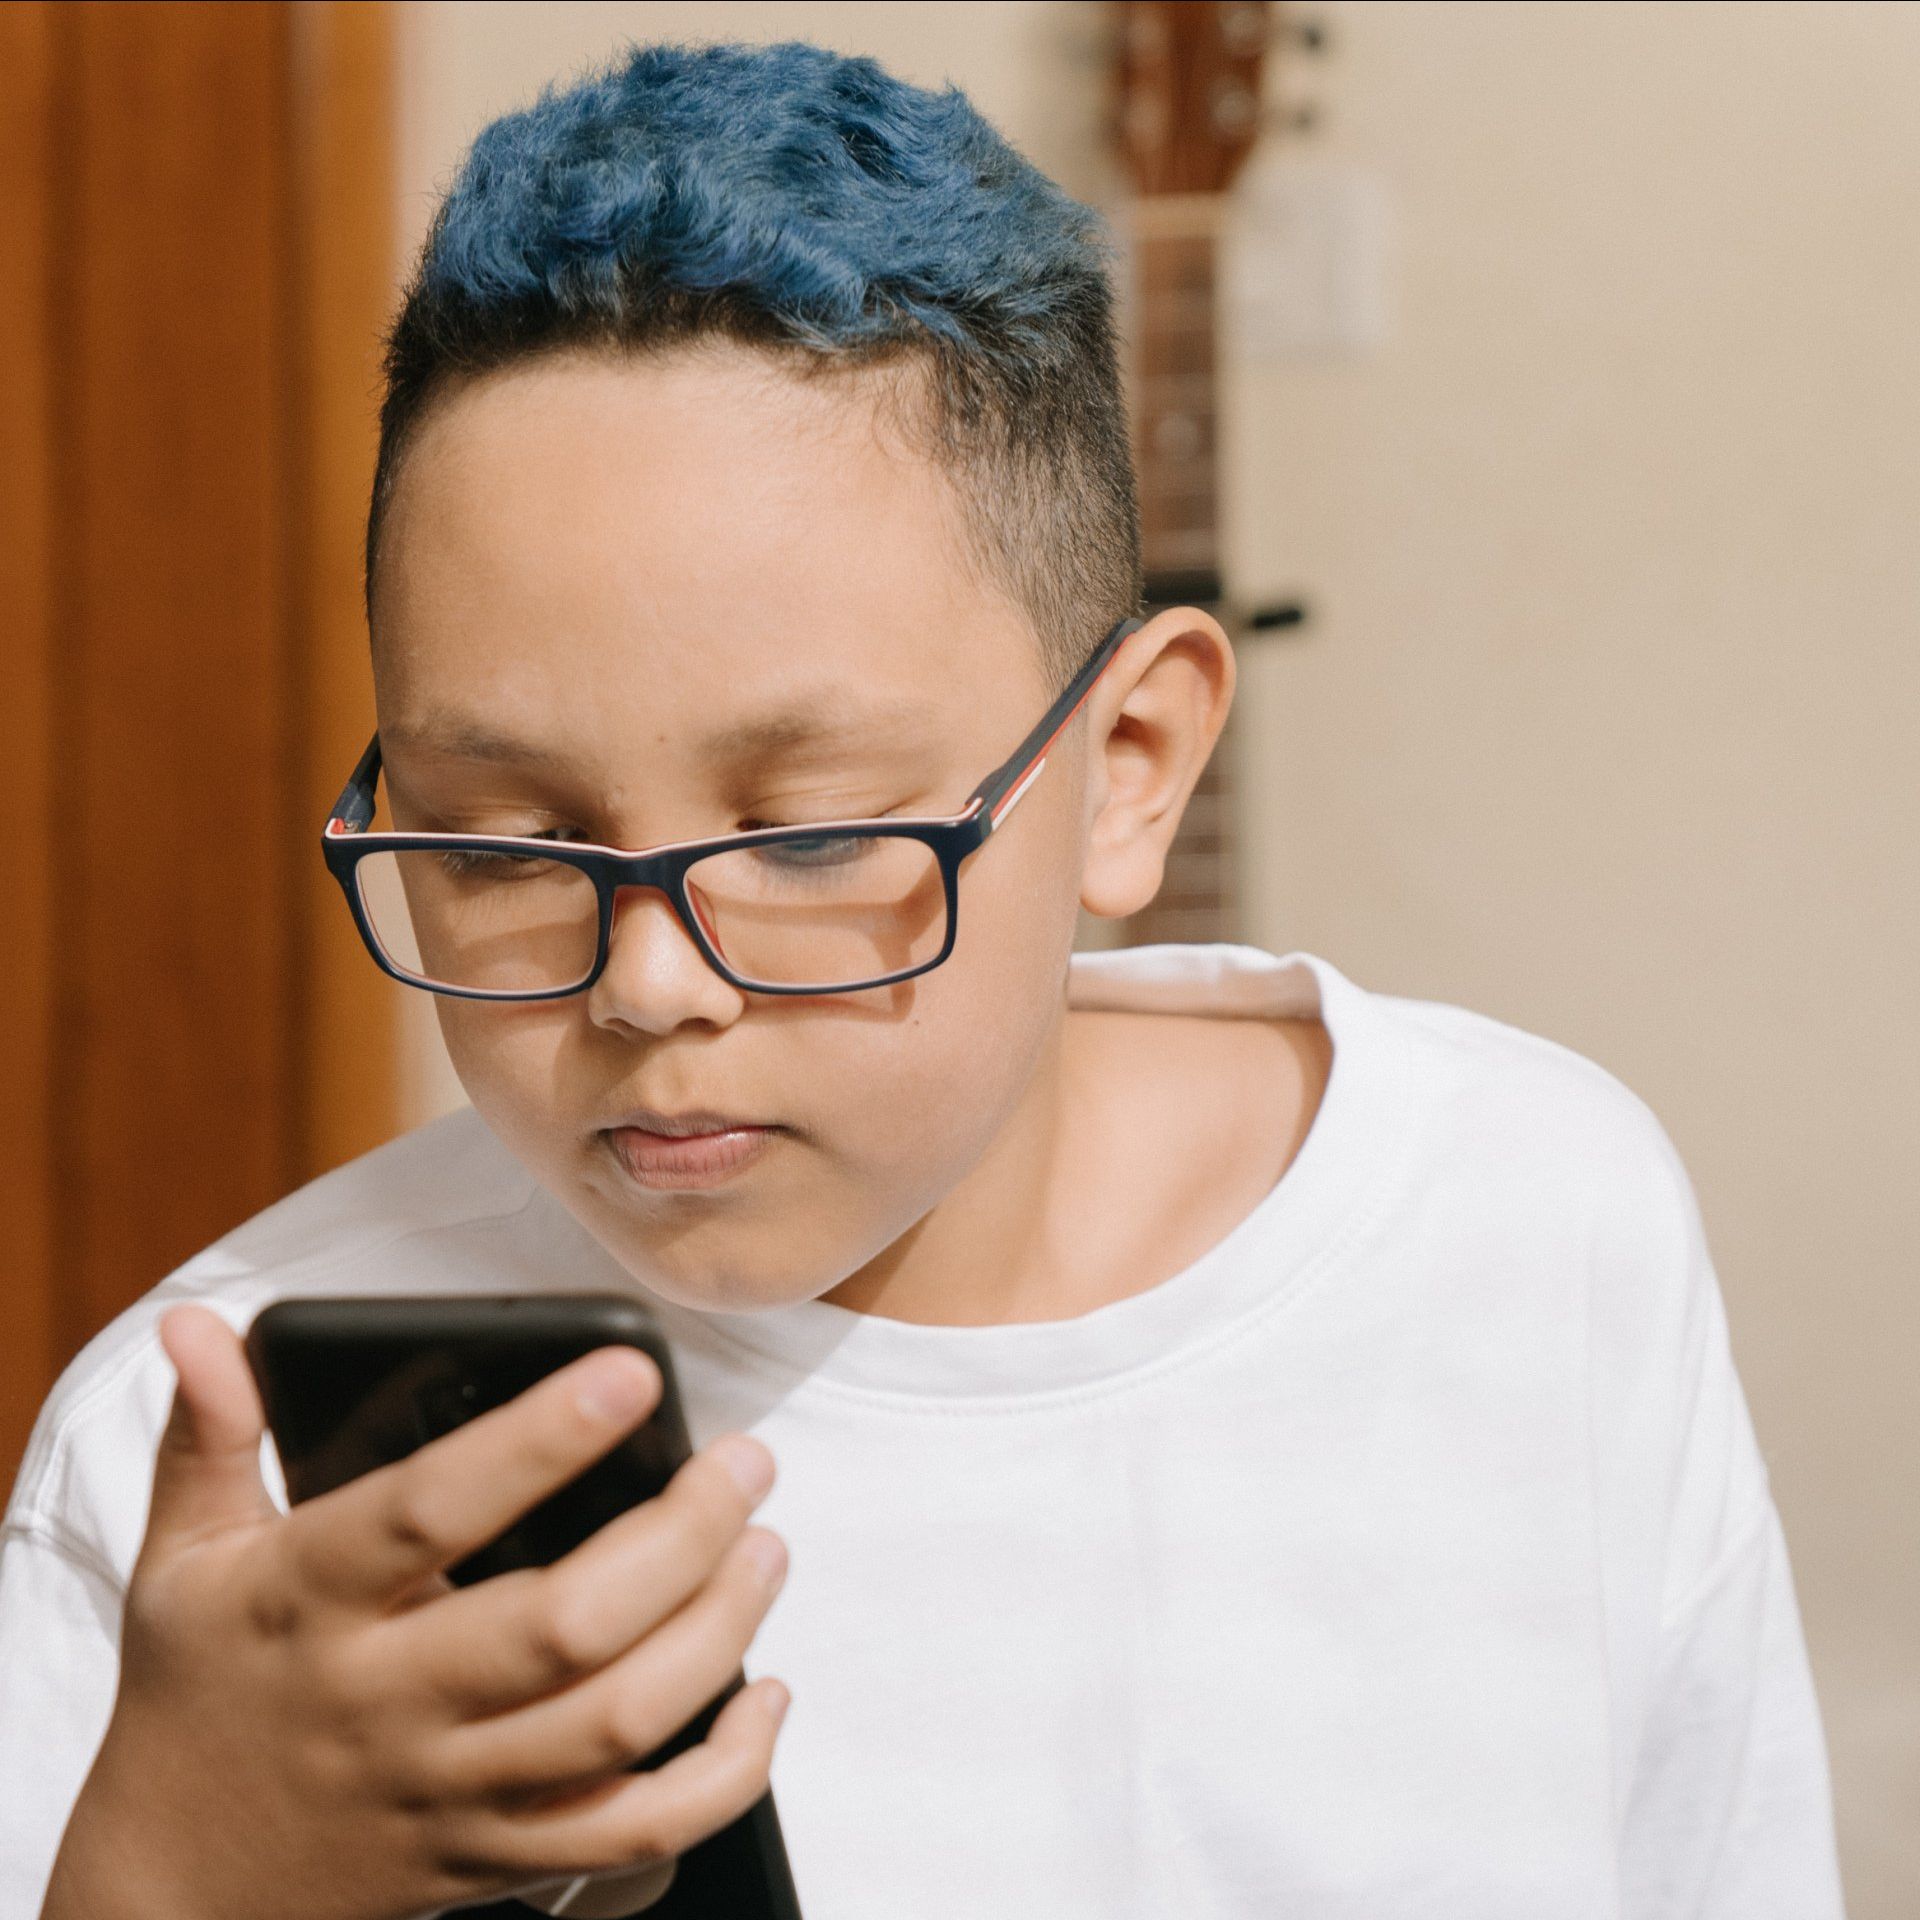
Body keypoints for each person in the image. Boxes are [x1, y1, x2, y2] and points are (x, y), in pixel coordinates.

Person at [0, 39, 1843, 1920]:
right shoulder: (203, 1477)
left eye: (804, 839)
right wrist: (170, 1868)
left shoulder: (1533, 1224)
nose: (647, 988)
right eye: (498, 846)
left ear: (1129, 768)